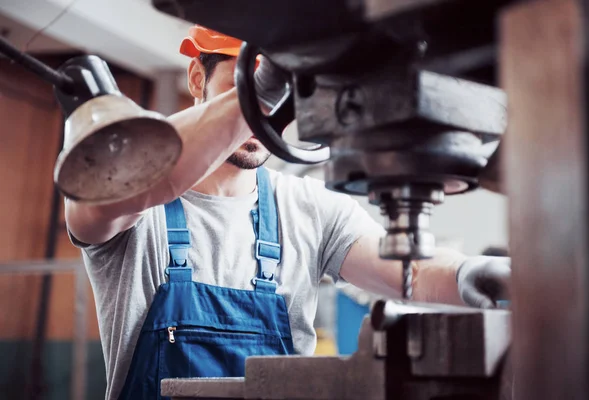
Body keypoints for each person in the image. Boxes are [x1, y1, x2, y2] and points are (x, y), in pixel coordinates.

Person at [65, 25, 510, 400]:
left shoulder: (309, 208)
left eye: (281, 102)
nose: (266, 122)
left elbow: (410, 271)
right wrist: (256, 95)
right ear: (197, 79)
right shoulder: (135, 208)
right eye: (244, 94)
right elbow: (111, 184)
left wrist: (478, 275)